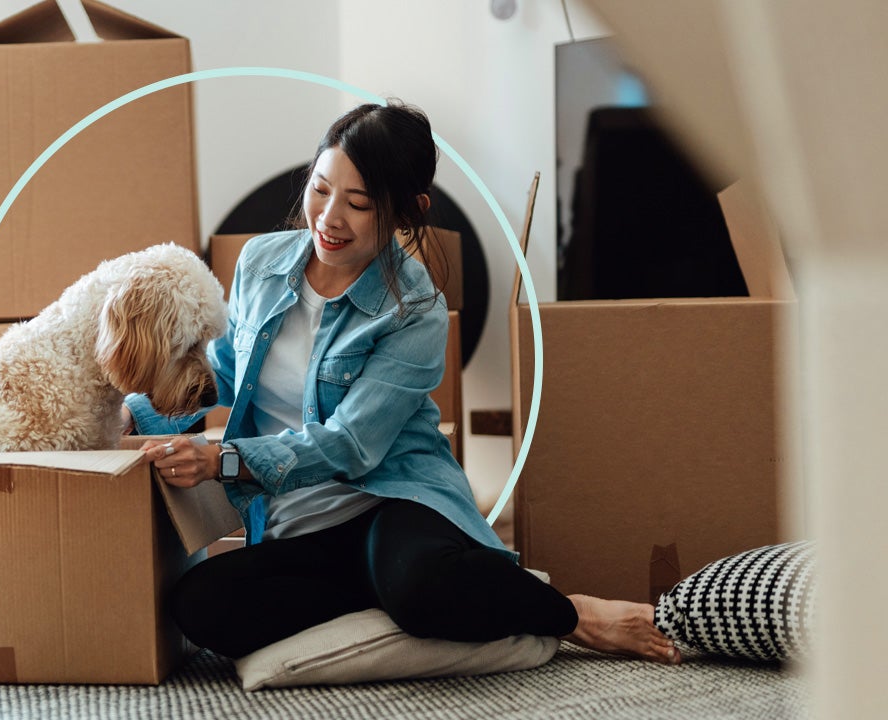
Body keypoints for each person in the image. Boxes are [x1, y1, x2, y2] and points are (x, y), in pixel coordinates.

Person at [122, 101, 680, 665]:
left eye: (359, 203)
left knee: (419, 589)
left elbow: (352, 444)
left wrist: (223, 459)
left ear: (408, 212)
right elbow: (222, 369)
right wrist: (130, 414)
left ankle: (575, 614)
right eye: (320, 188)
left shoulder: (415, 309)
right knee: (199, 604)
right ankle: (396, 591)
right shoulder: (259, 262)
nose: (329, 218)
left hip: (390, 503)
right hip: (299, 527)